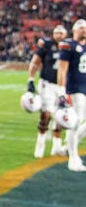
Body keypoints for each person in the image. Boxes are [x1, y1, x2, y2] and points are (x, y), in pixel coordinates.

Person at [27, 24, 68, 158]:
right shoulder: (46, 45)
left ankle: (56, 147)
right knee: (46, 115)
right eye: (56, 33)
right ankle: (40, 144)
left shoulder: (69, 47)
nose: (59, 35)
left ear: (66, 35)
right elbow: (35, 62)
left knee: (60, 116)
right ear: (53, 34)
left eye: (61, 33)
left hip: (62, 86)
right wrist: (30, 80)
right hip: (47, 84)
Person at [57, 19, 86, 172]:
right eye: (81, 28)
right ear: (74, 30)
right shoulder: (69, 45)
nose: (84, 30)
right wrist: (61, 92)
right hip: (75, 89)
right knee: (74, 123)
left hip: (85, 88)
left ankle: (67, 149)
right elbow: (62, 69)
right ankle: (73, 159)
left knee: (80, 123)